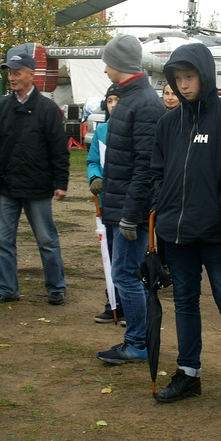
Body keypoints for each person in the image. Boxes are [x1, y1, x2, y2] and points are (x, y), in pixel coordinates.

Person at [149, 42, 221, 407]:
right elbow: (157, 171)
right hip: (176, 234)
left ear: (204, 75)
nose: (183, 85)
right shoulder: (167, 124)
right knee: (184, 301)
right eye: (177, 78)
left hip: (218, 233)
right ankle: (188, 373)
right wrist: (163, 207)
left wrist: (219, 211)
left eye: (189, 76)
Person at [0, 52, 69, 306]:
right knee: (2, 241)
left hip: (37, 188)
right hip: (6, 186)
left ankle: (56, 287)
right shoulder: (2, 107)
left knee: (46, 240)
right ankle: (6, 288)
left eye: (17, 72)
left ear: (31, 73)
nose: (12, 77)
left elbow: (59, 150)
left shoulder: (47, 109)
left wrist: (61, 183)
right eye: (10, 72)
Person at [95, 34, 166, 364]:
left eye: (109, 62)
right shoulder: (131, 99)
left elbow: (145, 165)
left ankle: (138, 341)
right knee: (124, 272)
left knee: (125, 273)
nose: (106, 68)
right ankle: (136, 338)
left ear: (120, 64)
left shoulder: (143, 103)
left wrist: (130, 214)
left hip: (130, 210)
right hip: (122, 204)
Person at [88, 84, 122, 323]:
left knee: (126, 256)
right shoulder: (101, 132)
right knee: (109, 253)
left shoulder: (135, 129)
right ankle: (112, 301)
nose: (113, 105)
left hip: (128, 201)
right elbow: (92, 160)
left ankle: (129, 305)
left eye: (117, 100)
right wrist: (95, 176)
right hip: (106, 201)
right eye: (110, 100)